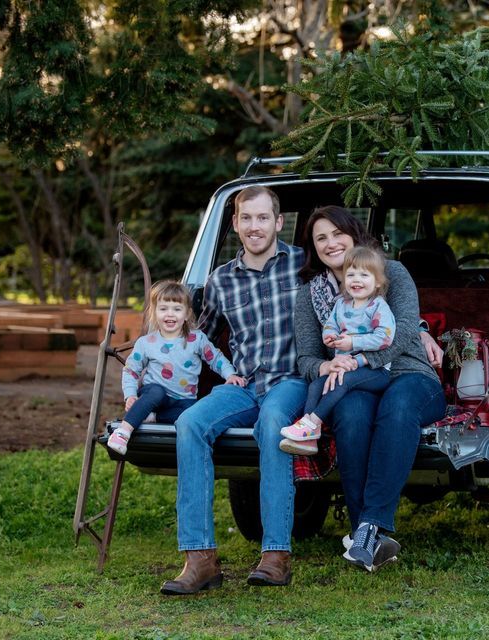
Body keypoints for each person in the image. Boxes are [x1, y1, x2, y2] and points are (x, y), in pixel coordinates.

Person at [161, 186, 307, 595]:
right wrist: (156, 362)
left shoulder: (304, 265)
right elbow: (197, 338)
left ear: (279, 222)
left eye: (263, 218)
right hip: (243, 383)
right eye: (246, 219)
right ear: (235, 224)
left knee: (275, 423)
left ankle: (276, 554)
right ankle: (200, 559)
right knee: (190, 422)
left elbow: (356, 296)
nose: (254, 226)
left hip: (291, 380)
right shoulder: (220, 279)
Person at [294, 206, 447, 572]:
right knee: (351, 413)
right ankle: (367, 539)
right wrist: (327, 365)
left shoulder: (391, 273)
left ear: (354, 234)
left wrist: (361, 360)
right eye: (321, 238)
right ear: (313, 248)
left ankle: (367, 526)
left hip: (409, 374)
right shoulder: (309, 295)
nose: (331, 243)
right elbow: (307, 358)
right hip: (351, 382)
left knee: (397, 405)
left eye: (337, 234)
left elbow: (407, 329)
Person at [280, 245, 396, 456]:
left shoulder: (378, 306)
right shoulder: (342, 304)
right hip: (344, 368)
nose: (356, 280)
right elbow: (331, 325)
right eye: (351, 274)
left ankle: (312, 422)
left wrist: (352, 343)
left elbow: (385, 337)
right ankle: (309, 439)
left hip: (376, 371)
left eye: (364, 274)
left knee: (342, 381)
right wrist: (329, 336)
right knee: (316, 385)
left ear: (377, 281)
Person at [109, 281, 247, 456]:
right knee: (156, 392)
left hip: (183, 400)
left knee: (193, 413)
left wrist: (230, 374)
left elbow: (216, 358)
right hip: (154, 395)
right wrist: (130, 394)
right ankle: (123, 432)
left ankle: (152, 417)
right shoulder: (146, 343)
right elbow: (131, 370)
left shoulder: (197, 339)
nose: (170, 314)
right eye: (163, 308)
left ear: (187, 313)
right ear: (154, 312)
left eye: (176, 309)